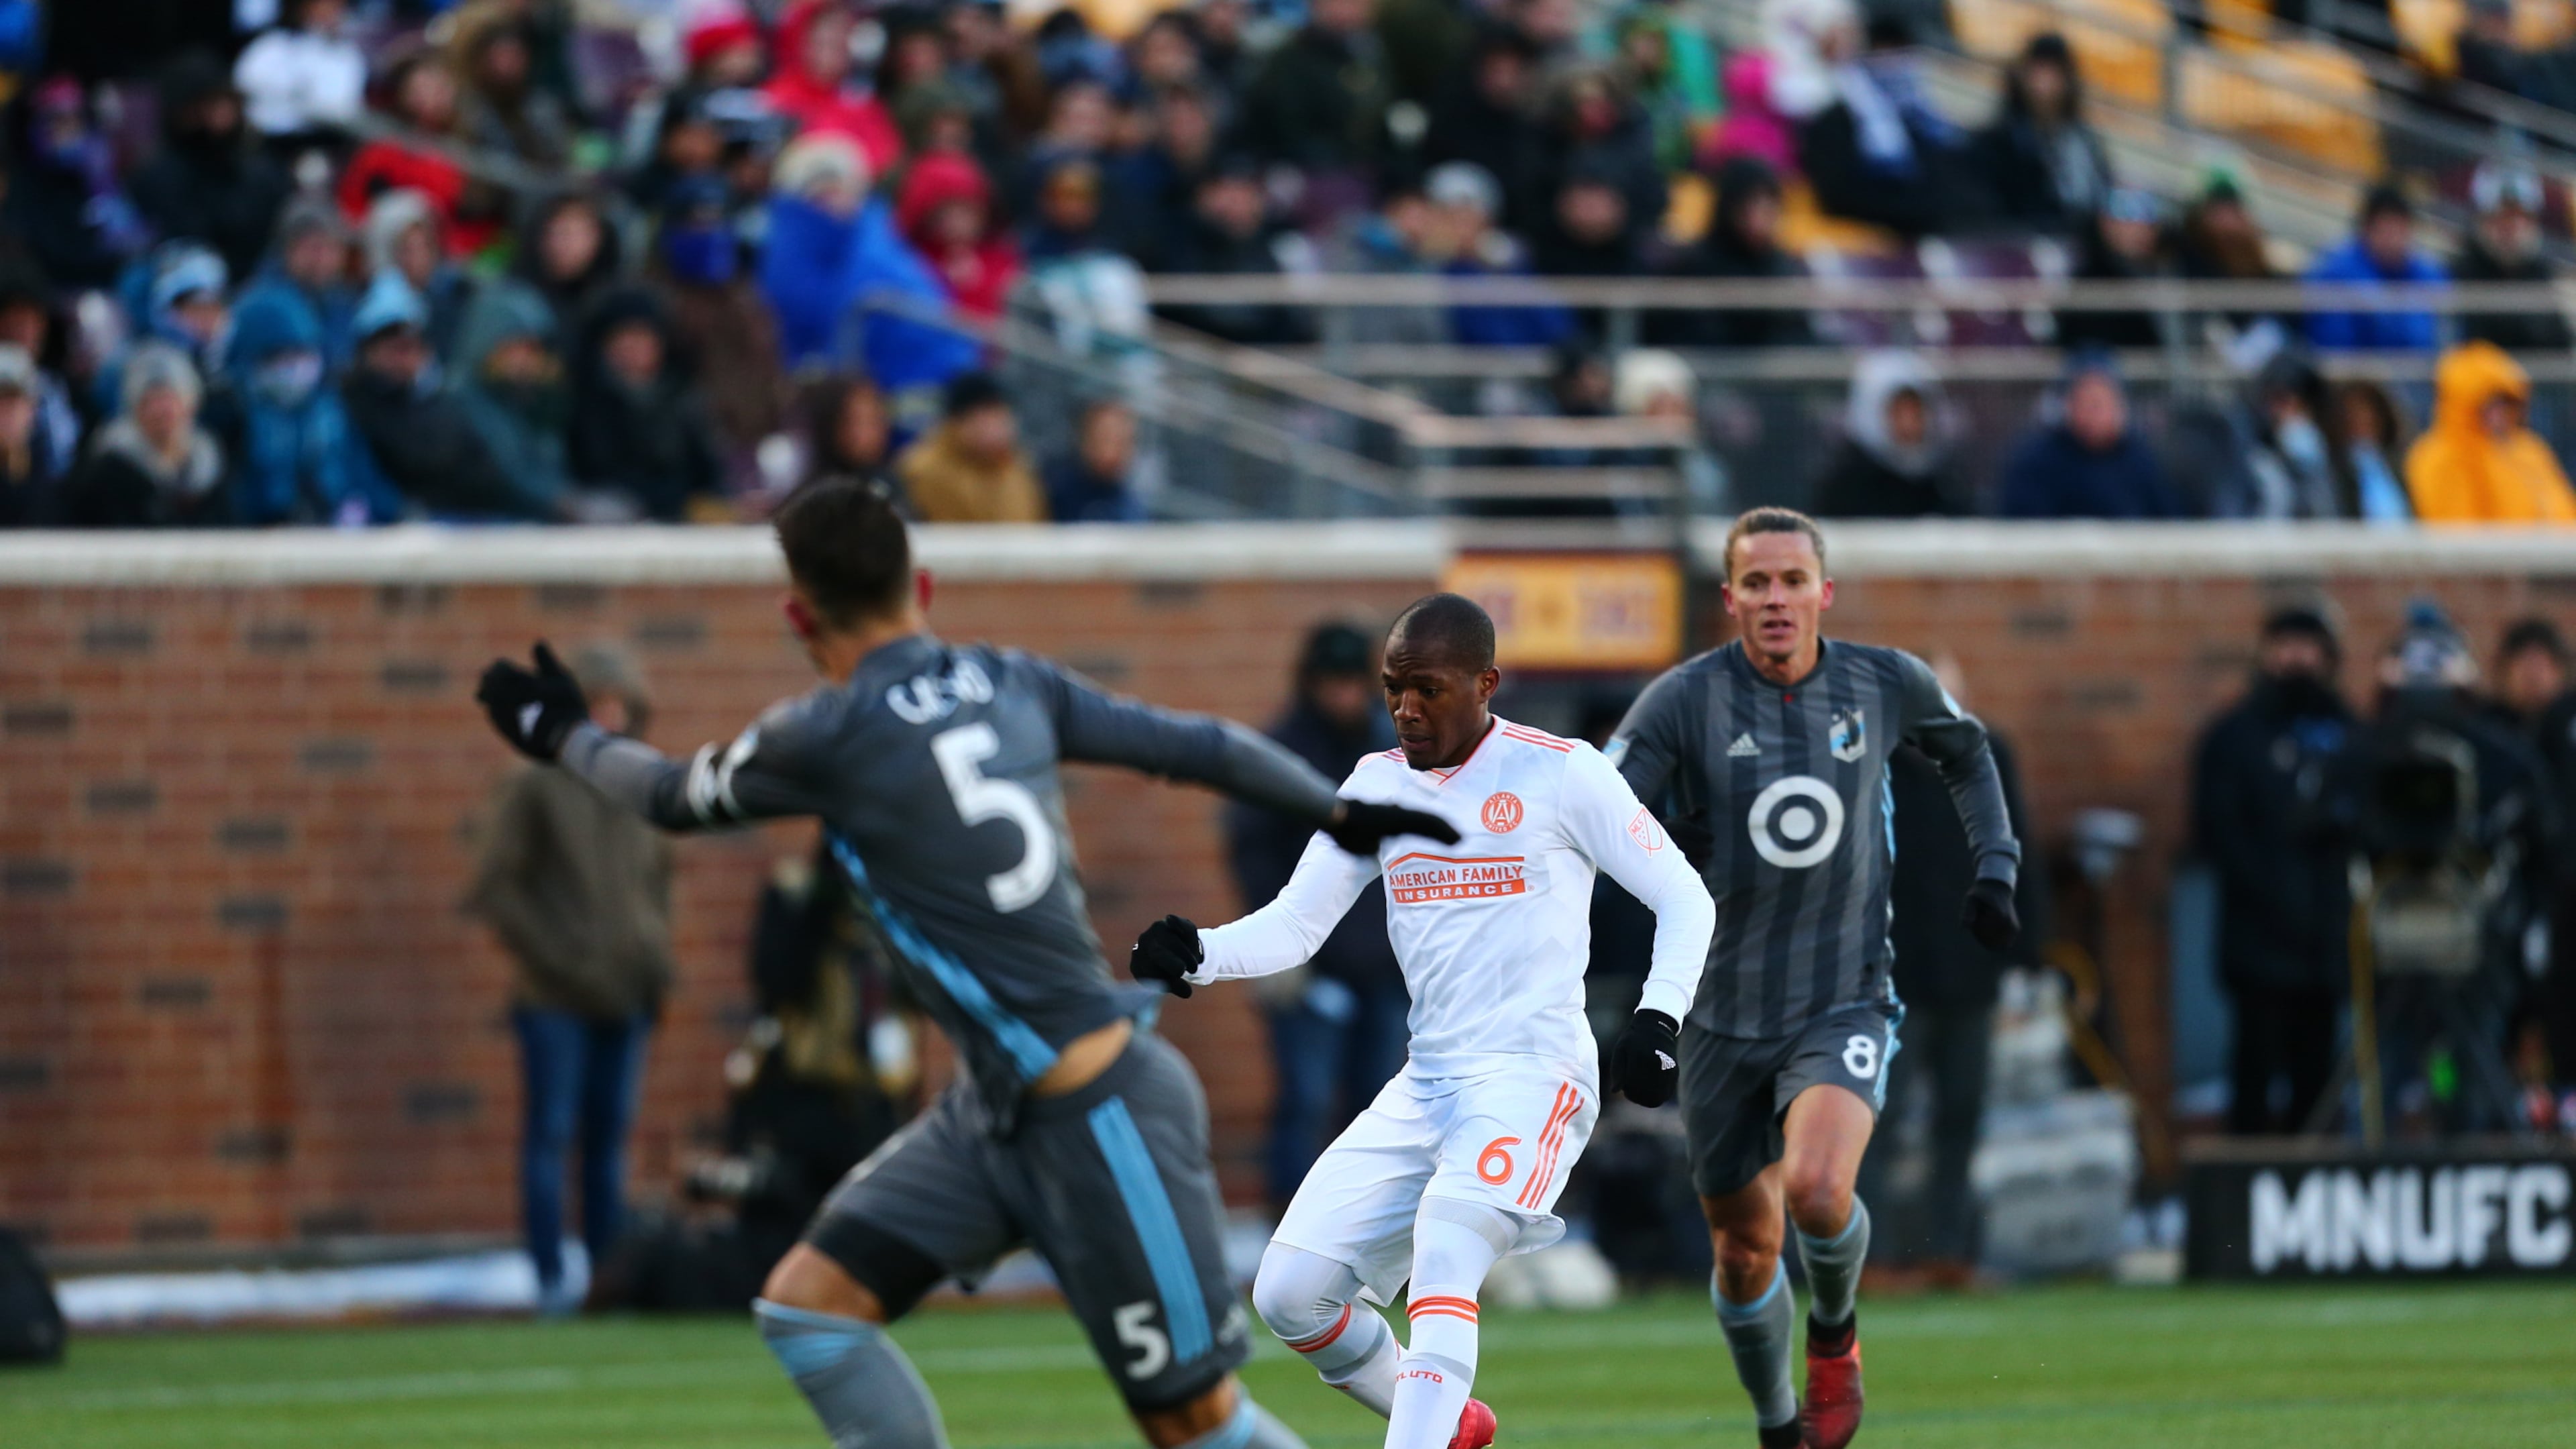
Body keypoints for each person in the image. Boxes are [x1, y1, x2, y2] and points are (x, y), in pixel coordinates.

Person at [472, 478, 1458, 1449]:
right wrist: (1336, 811)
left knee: (1194, 1427)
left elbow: (662, 795)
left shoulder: (822, 733)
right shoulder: (1010, 680)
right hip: (990, 1118)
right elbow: (1191, 743)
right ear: (924, 588)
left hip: (1100, 1113)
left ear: (796, 616)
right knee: (809, 1310)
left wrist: (563, 735)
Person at [1132, 594, 1716, 1449]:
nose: (1406, 707)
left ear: (1486, 684)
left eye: (1428, 690)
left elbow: (1684, 898)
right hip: (1430, 1082)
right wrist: (1201, 953)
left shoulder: (1562, 772)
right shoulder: (1375, 785)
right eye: (1394, 688)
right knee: (1291, 1292)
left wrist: (1658, 1020)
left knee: (1447, 1246)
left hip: (1534, 1075)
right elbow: (1298, 923)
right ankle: (1453, 1426)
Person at [1607, 508, 2021, 1449]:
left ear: (1824, 594)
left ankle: (1834, 1334)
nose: (1777, 598)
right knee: (1743, 1251)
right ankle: (1776, 1422)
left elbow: (1968, 753)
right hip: (1717, 1017)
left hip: (1843, 997)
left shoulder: (1882, 682)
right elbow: (1597, 804)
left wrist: (1994, 864)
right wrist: (1662, 838)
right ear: (1731, 600)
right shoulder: (1683, 701)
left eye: (1794, 580)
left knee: (1820, 1192)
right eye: (1757, 582)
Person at [468, 643, 674, 1314]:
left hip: (628, 990)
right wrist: (560, 957)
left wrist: (654, 960)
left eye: (622, 703)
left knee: (609, 1140)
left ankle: (604, 1277)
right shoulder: (533, 783)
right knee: (551, 1135)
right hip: (556, 994)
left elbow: (657, 885)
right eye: (600, 703)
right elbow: (498, 888)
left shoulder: (642, 780)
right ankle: (550, 1276)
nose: (613, 716)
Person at [1861, 655, 2045, 1283]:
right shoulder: (1871, 769)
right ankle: (1873, 1258)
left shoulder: (1991, 759)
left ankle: (1948, 1253)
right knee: (1874, 1122)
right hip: (1893, 979)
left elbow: (2018, 857)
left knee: (1961, 1117)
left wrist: (2024, 959)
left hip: (1971, 973)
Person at [1219, 624, 1410, 1212]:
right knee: (1306, 1098)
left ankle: (1375, 1237)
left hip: (1387, 962)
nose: (1345, 696)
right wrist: (1276, 945)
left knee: (1385, 1105)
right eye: (1334, 683)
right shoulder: (1280, 752)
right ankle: (1293, 1235)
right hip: (1310, 962)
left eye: (1356, 683)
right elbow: (1250, 850)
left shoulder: (1396, 749)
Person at [2192, 605, 2354, 1136]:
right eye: (2285, 645)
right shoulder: (2235, 735)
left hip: (2325, 941)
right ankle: (2249, 1185)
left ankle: (2314, 1182)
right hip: (2258, 939)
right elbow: (2218, 832)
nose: (2297, 658)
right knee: (2254, 1071)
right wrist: (2275, 893)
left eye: (2309, 646)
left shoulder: (2350, 732)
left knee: (2318, 1073)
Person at [342, 274, 541, 520]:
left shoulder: (436, 398)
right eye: (393, 348)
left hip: (472, 518)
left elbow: (481, 471)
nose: (403, 359)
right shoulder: (353, 404)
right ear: (368, 351)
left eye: (411, 347)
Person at [1799, 19, 1986, 239]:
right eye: (1883, 52)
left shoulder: (1924, 123)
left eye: (1901, 52)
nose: (1894, 64)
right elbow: (1836, 194)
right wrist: (1913, 210)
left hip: (1935, 228)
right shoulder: (1837, 118)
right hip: (1880, 233)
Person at [226, 282, 390, 527]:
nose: (296, 368)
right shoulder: (235, 415)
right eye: (280, 356)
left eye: (303, 354)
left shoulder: (331, 412)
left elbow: (368, 482)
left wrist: (367, 509)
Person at [650, 180, 790, 461]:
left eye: (717, 222)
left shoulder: (745, 297)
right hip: (690, 454)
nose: (709, 233)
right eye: (697, 224)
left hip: (754, 448)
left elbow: (769, 371)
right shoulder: (655, 301)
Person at [568, 290, 727, 522]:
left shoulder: (683, 397)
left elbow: (708, 470)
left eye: (642, 336)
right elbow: (599, 472)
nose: (633, 347)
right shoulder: (587, 402)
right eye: (623, 337)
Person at [130, 60, 289, 281]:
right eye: (213, 104)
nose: (224, 114)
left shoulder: (260, 171)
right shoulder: (159, 175)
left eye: (228, 103)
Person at [338, 52, 502, 258]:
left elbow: (479, 223)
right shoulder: (381, 151)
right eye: (422, 87)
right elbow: (354, 209)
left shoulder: (470, 154)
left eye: (440, 87)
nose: (431, 96)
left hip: (447, 260)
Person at [2404, 340, 2576, 523]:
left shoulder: (2529, 448)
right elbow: (2457, 532)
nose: (2499, 413)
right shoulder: (2441, 456)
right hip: (2503, 551)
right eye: (2489, 403)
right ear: (2464, 403)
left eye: (2506, 402)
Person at [60, 343, 229, 528]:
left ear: (190, 405)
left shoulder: (208, 465)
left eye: (171, 399)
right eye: (151, 400)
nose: (163, 411)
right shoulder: (109, 470)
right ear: (135, 409)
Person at [1651, 157, 1812, 350]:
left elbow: (1797, 333)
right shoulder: (1694, 265)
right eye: (1752, 205)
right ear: (1730, 207)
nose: (1760, 218)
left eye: (1769, 205)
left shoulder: (1783, 267)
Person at [1997, 352, 2178, 519]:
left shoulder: (2141, 459)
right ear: (2067, 405)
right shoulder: (2036, 461)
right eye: (2085, 402)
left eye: (2101, 403)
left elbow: (2168, 522)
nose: (2093, 412)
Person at [452, 280, 577, 521]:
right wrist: (565, 501)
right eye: (513, 347)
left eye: (531, 349)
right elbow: (503, 476)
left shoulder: (529, 396)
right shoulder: (462, 399)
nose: (523, 360)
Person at [1972, 32, 2110, 232]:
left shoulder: (2083, 141)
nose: (2045, 83)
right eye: (2039, 71)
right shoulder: (2000, 140)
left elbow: (2096, 195)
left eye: (2054, 73)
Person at [1240, 0, 1390, 183]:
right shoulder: (1292, 59)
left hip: (1367, 168)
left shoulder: (1372, 51)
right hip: (1308, 172)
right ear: (1317, 6)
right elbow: (1287, 130)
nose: (1350, 10)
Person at [1812, 350, 1963, 517]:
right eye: (1898, 413)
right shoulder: (1845, 484)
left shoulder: (1943, 480)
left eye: (1916, 413)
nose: (1909, 425)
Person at [2451, 160, 2575, 356]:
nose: (2511, 227)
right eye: (2502, 216)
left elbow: (2558, 340)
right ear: (2484, 219)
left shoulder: (2540, 270)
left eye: (2518, 216)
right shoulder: (2462, 270)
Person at [766, 0, 906, 173]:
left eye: (841, 42)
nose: (833, 49)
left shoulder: (861, 103)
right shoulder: (777, 97)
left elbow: (888, 161)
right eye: (823, 42)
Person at [2304, 186, 2446, 355]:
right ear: (2367, 229)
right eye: (2385, 230)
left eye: (2399, 229)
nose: (2393, 239)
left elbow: (2440, 338)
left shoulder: (2428, 272)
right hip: (2353, 377)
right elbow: (2333, 342)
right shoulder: (2335, 270)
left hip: (2417, 376)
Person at [895, 372, 1046, 523]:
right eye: (984, 417)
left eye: (998, 415)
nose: (993, 427)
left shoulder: (1018, 467)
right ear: (958, 421)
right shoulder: (926, 471)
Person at [895, 152, 1022, 323]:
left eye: (967, 211)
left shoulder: (1001, 257)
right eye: (945, 213)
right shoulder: (912, 260)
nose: (958, 223)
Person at [360, 188, 477, 364]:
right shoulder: (383, 308)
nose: (420, 259)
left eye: (426, 247)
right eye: (408, 250)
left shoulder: (445, 294)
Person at [231, 0, 367, 149]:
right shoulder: (272, 44)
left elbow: (343, 109)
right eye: (321, 5)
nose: (328, 12)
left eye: (335, 7)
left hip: (320, 143)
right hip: (264, 138)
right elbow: (243, 83)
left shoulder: (348, 56)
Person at [1043, 397, 1148, 522]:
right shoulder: (1050, 490)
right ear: (1084, 439)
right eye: (1104, 439)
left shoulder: (1133, 509)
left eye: (1121, 442)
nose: (1111, 452)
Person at [2336, 378, 2415, 523]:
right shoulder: (2335, 470)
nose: (2363, 420)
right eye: (2354, 415)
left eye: (2368, 413)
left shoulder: (2402, 464)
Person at [0, 345, 60, 527]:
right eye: (1, 402)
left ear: (32, 409)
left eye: (15, 402)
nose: (8, 414)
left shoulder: (45, 467)